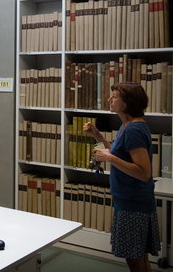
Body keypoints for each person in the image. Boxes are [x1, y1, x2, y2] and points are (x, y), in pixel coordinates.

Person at [84, 82, 160, 272]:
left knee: (134, 259)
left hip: (133, 203)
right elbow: (121, 153)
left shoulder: (133, 129)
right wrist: (99, 137)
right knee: (139, 255)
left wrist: (109, 158)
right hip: (130, 200)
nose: (110, 99)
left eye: (115, 96)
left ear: (128, 102)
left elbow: (144, 172)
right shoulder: (128, 125)